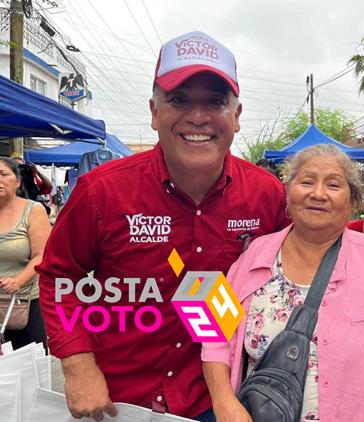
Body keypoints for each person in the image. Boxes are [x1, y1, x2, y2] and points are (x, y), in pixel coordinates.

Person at [36, 31, 289, 421]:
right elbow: (58, 276)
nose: (198, 116)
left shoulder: (267, 196)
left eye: (215, 102)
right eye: (178, 100)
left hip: (218, 402)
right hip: (118, 403)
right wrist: (77, 364)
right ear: (154, 112)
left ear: (236, 117)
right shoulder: (101, 192)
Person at [202, 144, 364, 422]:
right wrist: (223, 401)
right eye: (306, 181)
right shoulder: (255, 253)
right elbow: (212, 334)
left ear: (352, 199)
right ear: (289, 193)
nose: (318, 194)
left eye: (333, 184)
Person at [0, 157, 51, 349]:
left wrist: (18, 281)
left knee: (28, 368)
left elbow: (42, 255)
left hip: (23, 302)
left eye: (4, 174)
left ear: (18, 181)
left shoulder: (33, 210)